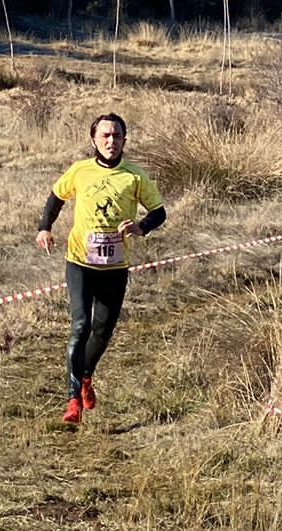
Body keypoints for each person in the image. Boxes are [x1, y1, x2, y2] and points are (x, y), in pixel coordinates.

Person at [34, 112, 166, 425]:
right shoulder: (80, 171)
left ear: (124, 141)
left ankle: (86, 376)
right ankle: (71, 400)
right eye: (105, 135)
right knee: (80, 326)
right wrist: (44, 227)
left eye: (117, 136)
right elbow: (55, 197)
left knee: (102, 331)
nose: (111, 141)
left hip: (115, 266)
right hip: (80, 261)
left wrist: (140, 227)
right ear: (94, 139)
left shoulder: (134, 176)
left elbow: (159, 212)